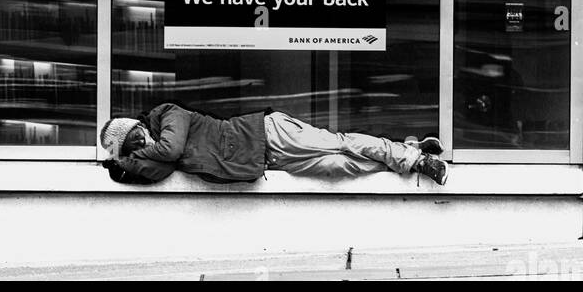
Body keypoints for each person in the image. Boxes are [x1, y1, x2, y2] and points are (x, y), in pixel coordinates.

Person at [99, 103, 447, 186]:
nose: (141, 142)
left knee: (340, 145)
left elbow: (170, 151)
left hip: (267, 132)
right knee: (339, 166)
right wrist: (122, 163)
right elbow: (157, 170)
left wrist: (126, 156)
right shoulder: (149, 152)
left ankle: (416, 160)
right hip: (266, 160)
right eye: (133, 146)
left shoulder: (168, 114)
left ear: (139, 124)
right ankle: (406, 151)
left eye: (137, 134)